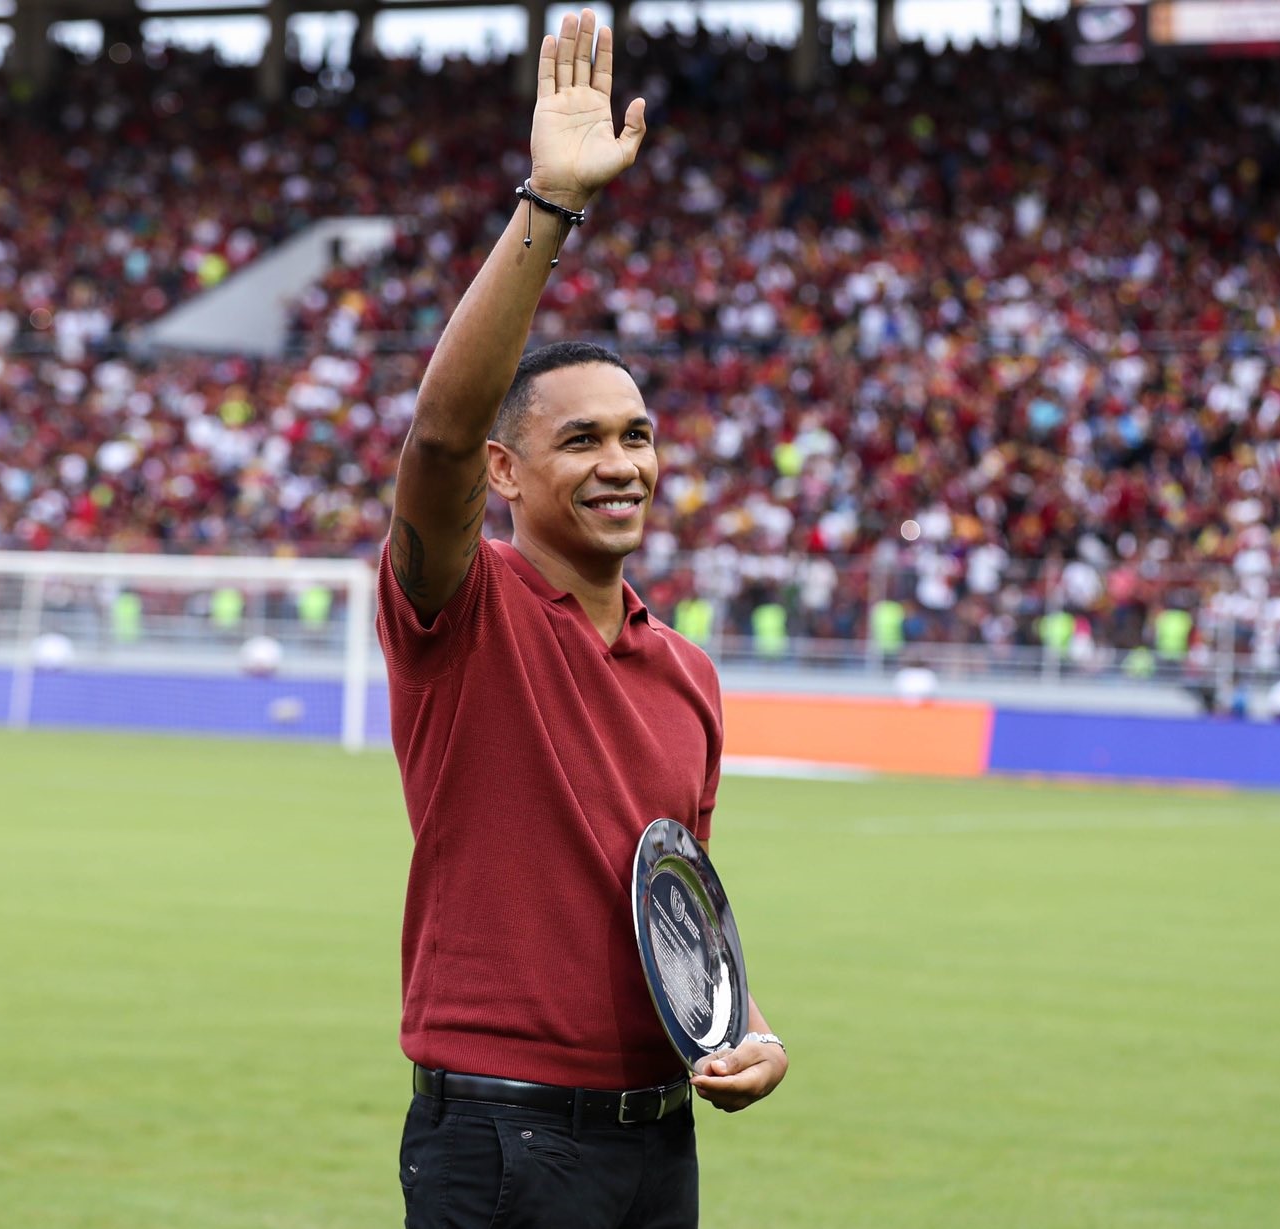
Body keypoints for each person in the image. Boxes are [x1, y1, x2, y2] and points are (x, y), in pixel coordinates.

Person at [376, 12, 786, 1227]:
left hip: (658, 1137)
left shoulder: (688, 671)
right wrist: (548, 211)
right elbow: (438, 436)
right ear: (506, 473)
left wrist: (745, 1024)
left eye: (638, 434)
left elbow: (676, 904)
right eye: (580, 439)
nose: (621, 463)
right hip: (500, 1138)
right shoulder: (466, 605)